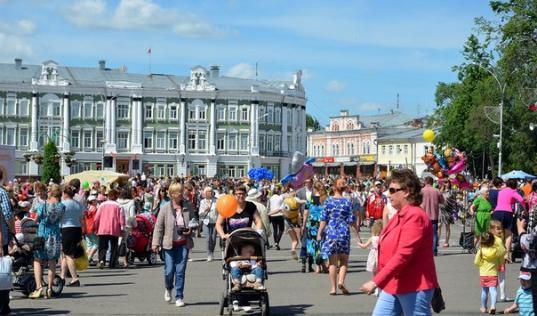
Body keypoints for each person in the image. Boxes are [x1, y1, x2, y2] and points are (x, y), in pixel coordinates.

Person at [361, 169, 439, 315]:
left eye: (392, 190)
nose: (388, 194)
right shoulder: (399, 215)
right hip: (394, 284)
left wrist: (376, 281)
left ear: (407, 191)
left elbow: (403, 255)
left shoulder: (415, 216)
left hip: (414, 284)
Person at [152, 182, 194, 308]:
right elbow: (158, 227)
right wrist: (155, 243)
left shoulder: (188, 206)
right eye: (177, 192)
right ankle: (168, 287)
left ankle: (179, 296)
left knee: (180, 271)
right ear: (171, 194)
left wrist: (191, 229)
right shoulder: (165, 208)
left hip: (183, 243)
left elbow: (194, 221)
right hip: (168, 244)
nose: (180, 194)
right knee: (169, 271)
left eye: (181, 191)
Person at [317, 178, 361, 296]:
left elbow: (323, 219)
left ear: (334, 188)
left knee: (332, 262)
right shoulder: (347, 202)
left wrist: (319, 233)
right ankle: (341, 281)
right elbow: (352, 221)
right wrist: (357, 235)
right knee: (344, 260)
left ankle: (333, 288)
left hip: (331, 232)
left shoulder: (328, 201)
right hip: (343, 233)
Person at [29, 184, 65, 299]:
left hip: (42, 236)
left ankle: (39, 287)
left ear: (51, 193)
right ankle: (49, 288)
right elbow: (61, 219)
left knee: (38, 260)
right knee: (52, 262)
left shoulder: (42, 206)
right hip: (55, 236)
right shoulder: (62, 206)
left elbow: (36, 219)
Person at [493, 178, 525, 262]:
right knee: (508, 234)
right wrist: (525, 210)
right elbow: (521, 200)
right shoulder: (513, 191)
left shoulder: (500, 191)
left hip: (497, 212)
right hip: (507, 212)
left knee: (497, 233)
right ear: (514, 185)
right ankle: (506, 255)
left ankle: (496, 253)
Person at [474, 231, 506, 314]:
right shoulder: (496, 250)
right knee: (493, 290)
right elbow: (501, 256)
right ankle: (493, 306)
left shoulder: (481, 251)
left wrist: (481, 264)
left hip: (483, 274)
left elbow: (476, 262)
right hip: (493, 274)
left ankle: (483, 307)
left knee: (484, 291)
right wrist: (499, 264)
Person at [59, 185, 84, 287]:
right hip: (77, 228)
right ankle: (62, 276)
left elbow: (59, 217)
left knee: (68, 255)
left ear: (64, 193)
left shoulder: (63, 204)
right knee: (66, 253)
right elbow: (81, 218)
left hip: (66, 229)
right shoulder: (78, 204)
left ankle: (74, 278)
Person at [93, 189, 124, 269]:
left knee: (102, 246)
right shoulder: (119, 206)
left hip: (103, 228)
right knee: (114, 247)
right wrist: (122, 228)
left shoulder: (102, 205)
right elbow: (122, 219)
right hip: (114, 228)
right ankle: (112, 263)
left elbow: (97, 217)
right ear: (115, 196)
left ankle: (101, 260)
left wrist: (95, 227)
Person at [421, 176, 445, 256]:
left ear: (425, 182)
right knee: (434, 234)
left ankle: (425, 250)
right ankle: (434, 251)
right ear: (432, 182)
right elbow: (442, 201)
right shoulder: (437, 191)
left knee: (424, 234)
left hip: (424, 216)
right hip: (434, 215)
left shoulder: (421, 191)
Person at [358, 220, 383, 296]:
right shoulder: (382, 238)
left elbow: (364, 246)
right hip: (380, 255)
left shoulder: (373, 238)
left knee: (374, 273)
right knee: (380, 272)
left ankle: (376, 288)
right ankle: (380, 288)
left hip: (373, 255)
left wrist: (359, 243)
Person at [0, 171, 11, 314]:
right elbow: (8, 214)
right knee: (2, 271)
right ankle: (3, 306)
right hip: (1, 236)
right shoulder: (2, 193)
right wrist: (12, 229)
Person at [117, 189, 136, 268]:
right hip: (127, 225)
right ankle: (125, 261)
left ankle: (116, 259)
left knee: (118, 242)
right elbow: (132, 216)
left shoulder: (117, 201)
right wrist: (134, 224)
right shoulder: (131, 202)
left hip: (118, 224)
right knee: (124, 243)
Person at [199, 186, 217, 262]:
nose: (210, 193)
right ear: (205, 193)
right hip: (206, 222)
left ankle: (212, 251)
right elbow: (201, 215)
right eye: (209, 191)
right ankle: (209, 254)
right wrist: (206, 210)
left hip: (215, 222)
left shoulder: (217, 201)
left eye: (211, 191)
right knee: (208, 239)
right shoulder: (202, 202)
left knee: (213, 239)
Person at [84, 195, 99, 265]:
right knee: (96, 244)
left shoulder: (86, 208)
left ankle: (86, 259)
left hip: (86, 228)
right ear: (93, 201)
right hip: (92, 228)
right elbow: (96, 219)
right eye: (95, 200)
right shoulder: (95, 209)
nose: (96, 201)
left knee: (89, 244)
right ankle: (88, 258)